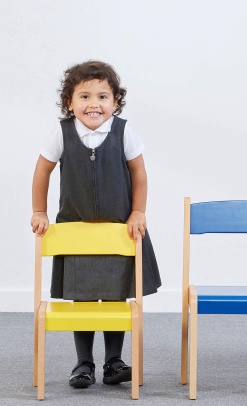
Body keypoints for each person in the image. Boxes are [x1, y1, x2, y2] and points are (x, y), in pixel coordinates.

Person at [31, 60, 161, 389]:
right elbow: (42, 171)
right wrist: (40, 211)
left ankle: (114, 362)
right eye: (85, 96)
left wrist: (138, 212)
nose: (94, 104)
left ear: (115, 103)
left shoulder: (123, 131)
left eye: (103, 96)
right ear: (70, 103)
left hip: (118, 231)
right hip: (76, 233)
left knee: (116, 298)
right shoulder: (61, 133)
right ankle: (83, 363)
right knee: (84, 298)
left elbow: (139, 173)